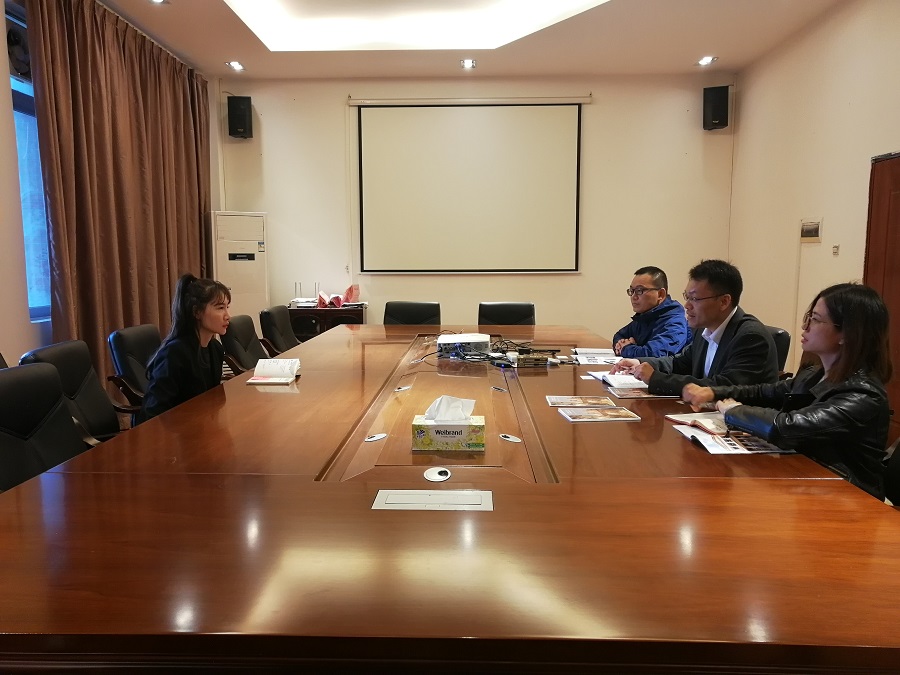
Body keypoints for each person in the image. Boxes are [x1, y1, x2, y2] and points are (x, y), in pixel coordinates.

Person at [682, 283, 892, 500]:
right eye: (808, 317)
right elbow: (764, 392)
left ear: (846, 334)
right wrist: (713, 392)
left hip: (850, 498)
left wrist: (733, 411)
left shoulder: (862, 394)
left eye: (815, 320)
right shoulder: (814, 374)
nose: (805, 326)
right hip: (807, 480)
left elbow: (787, 427)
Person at [611, 259, 778, 395]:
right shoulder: (703, 330)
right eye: (687, 297)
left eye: (695, 299)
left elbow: (723, 387)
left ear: (724, 301)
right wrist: (639, 362)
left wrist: (655, 378)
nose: (687, 305)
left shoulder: (751, 337)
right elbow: (679, 363)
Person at [137, 274, 231, 423]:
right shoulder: (174, 354)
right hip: (173, 431)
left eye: (227, 307)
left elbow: (210, 401)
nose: (227, 316)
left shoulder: (215, 349)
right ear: (196, 312)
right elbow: (152, 413)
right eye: (220, 308)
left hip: (200, 426)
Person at [612, 266, 688, 358]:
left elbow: (653, 354)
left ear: (660, 294)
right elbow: (620, 335)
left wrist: (626, 348)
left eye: (639, 290)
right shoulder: (645, 316)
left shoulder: (674, 322)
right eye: (632, 291)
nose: (633, 297)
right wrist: (621, 345)